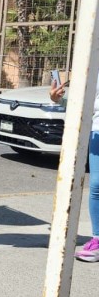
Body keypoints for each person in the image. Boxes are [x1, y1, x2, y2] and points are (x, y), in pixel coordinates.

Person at [50, 75, 99, 262]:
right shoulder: (94, 68)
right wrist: (59, 100)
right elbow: (86, 104)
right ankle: (97, 239)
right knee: (96, 186)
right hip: (97, 131)